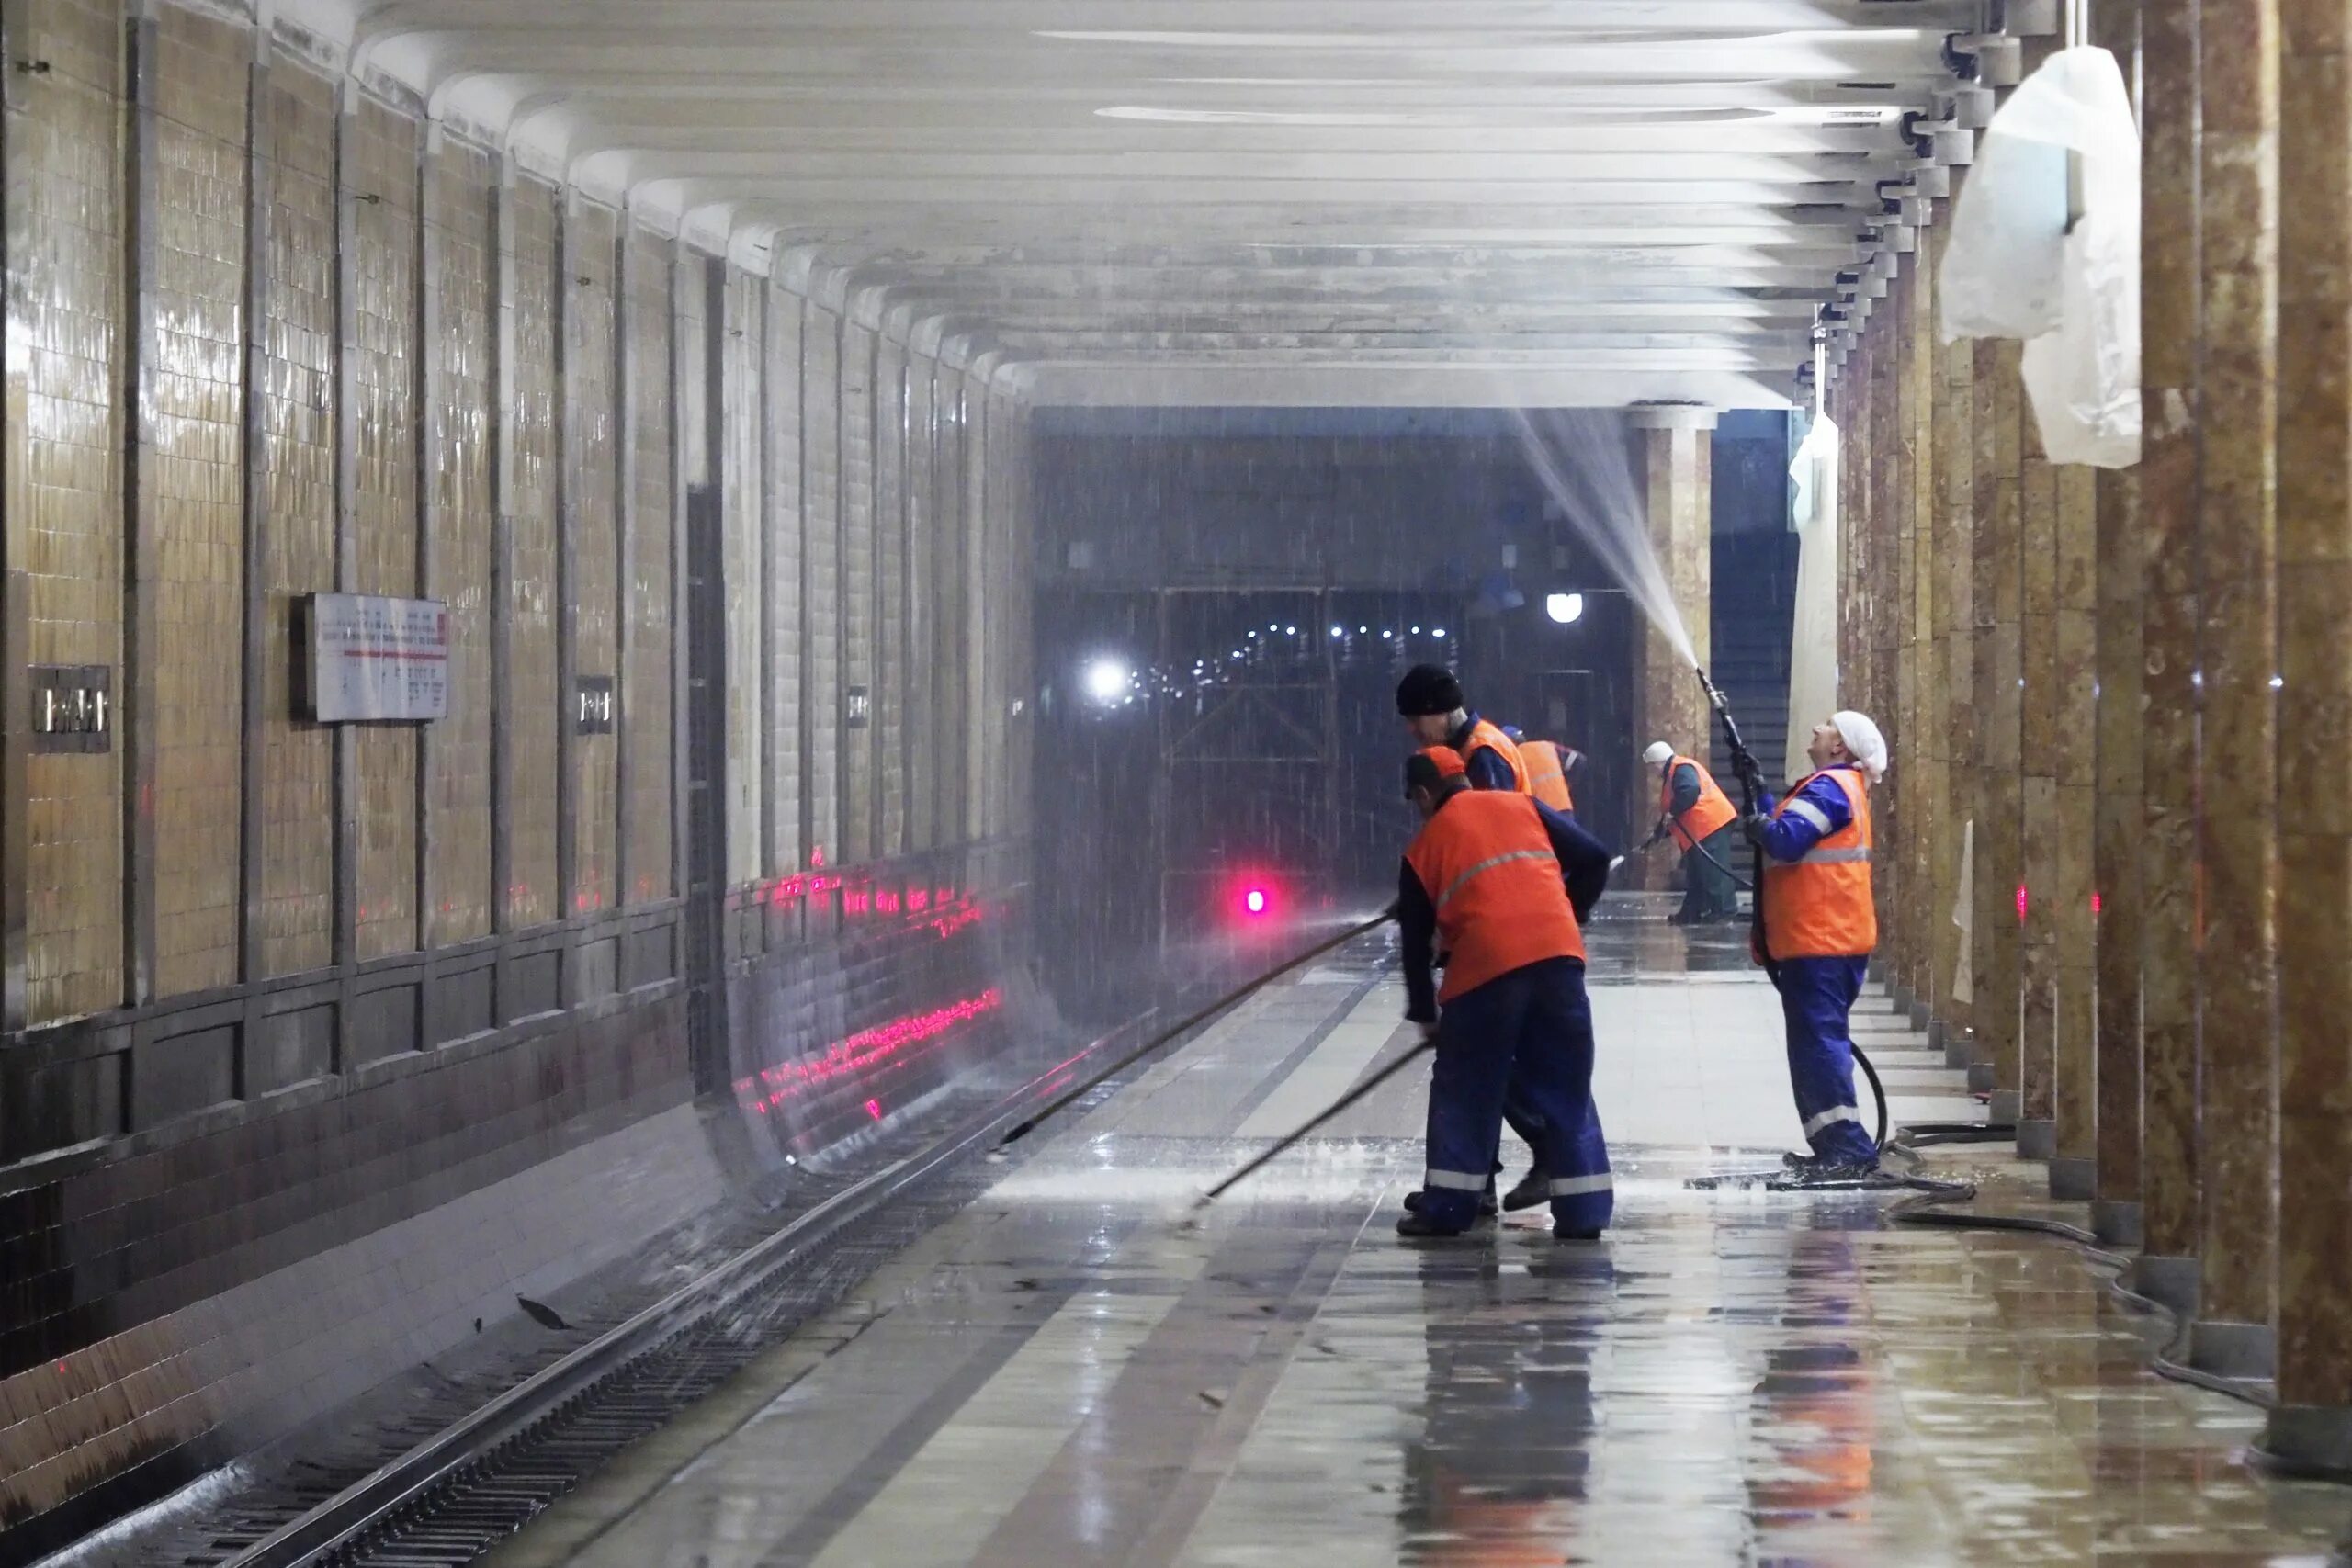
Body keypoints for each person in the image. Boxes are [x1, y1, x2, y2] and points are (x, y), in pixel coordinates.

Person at [1394, 746, 1615, 1240]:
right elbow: (1595, 858)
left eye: (1416, 800)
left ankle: (1448, 1207)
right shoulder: (1522, 804)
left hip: (1485, 976)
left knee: (1466, 1087)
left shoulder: (1424, 848)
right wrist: (1567, 912)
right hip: (1559, 962)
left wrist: (1427, 1014)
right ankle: (1584, 1213)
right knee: (1566, 1088)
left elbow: (1413, 944)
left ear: (1426, 794)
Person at [1742, 711, 1887, 1176]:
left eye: (1826, 726)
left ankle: (1848, 1148)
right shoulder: (1830, 788)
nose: (1816, 730)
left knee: (1820, 1045)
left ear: (1840, 746)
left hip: (1823, 940)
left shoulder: (1830, 788)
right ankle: (1832, 1145)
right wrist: (1759, 794)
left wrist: (1758, 825)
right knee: (1813, 1046)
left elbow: (1786, 840)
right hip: (1819, 939)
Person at [1640, 739, 1741, 924]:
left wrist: (1672, 813)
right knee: (1696, 873)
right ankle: (1691, 913)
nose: (1653, 771)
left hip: (1711, 824)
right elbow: (1673, 814)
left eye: (1652, 766)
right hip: (1701, 828)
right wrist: (1656, 836)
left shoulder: (1682, 769)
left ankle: (1723, 912)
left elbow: (1689, 792)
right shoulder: (1674, 775)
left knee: (1712, 873)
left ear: (1658, 762)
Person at [1396, 664, 1528, 794]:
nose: (1411, 728)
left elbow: (1492, 815)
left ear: (1441, 711)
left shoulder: (1483, 753)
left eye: (1415, 719)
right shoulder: (1469, 748)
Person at [1503, 725, 1580, 818]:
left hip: (1540, 813)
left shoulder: (1513, 758)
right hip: (1562, 806)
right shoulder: (1546, 746)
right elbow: (1578, 759)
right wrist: (1567, 785)